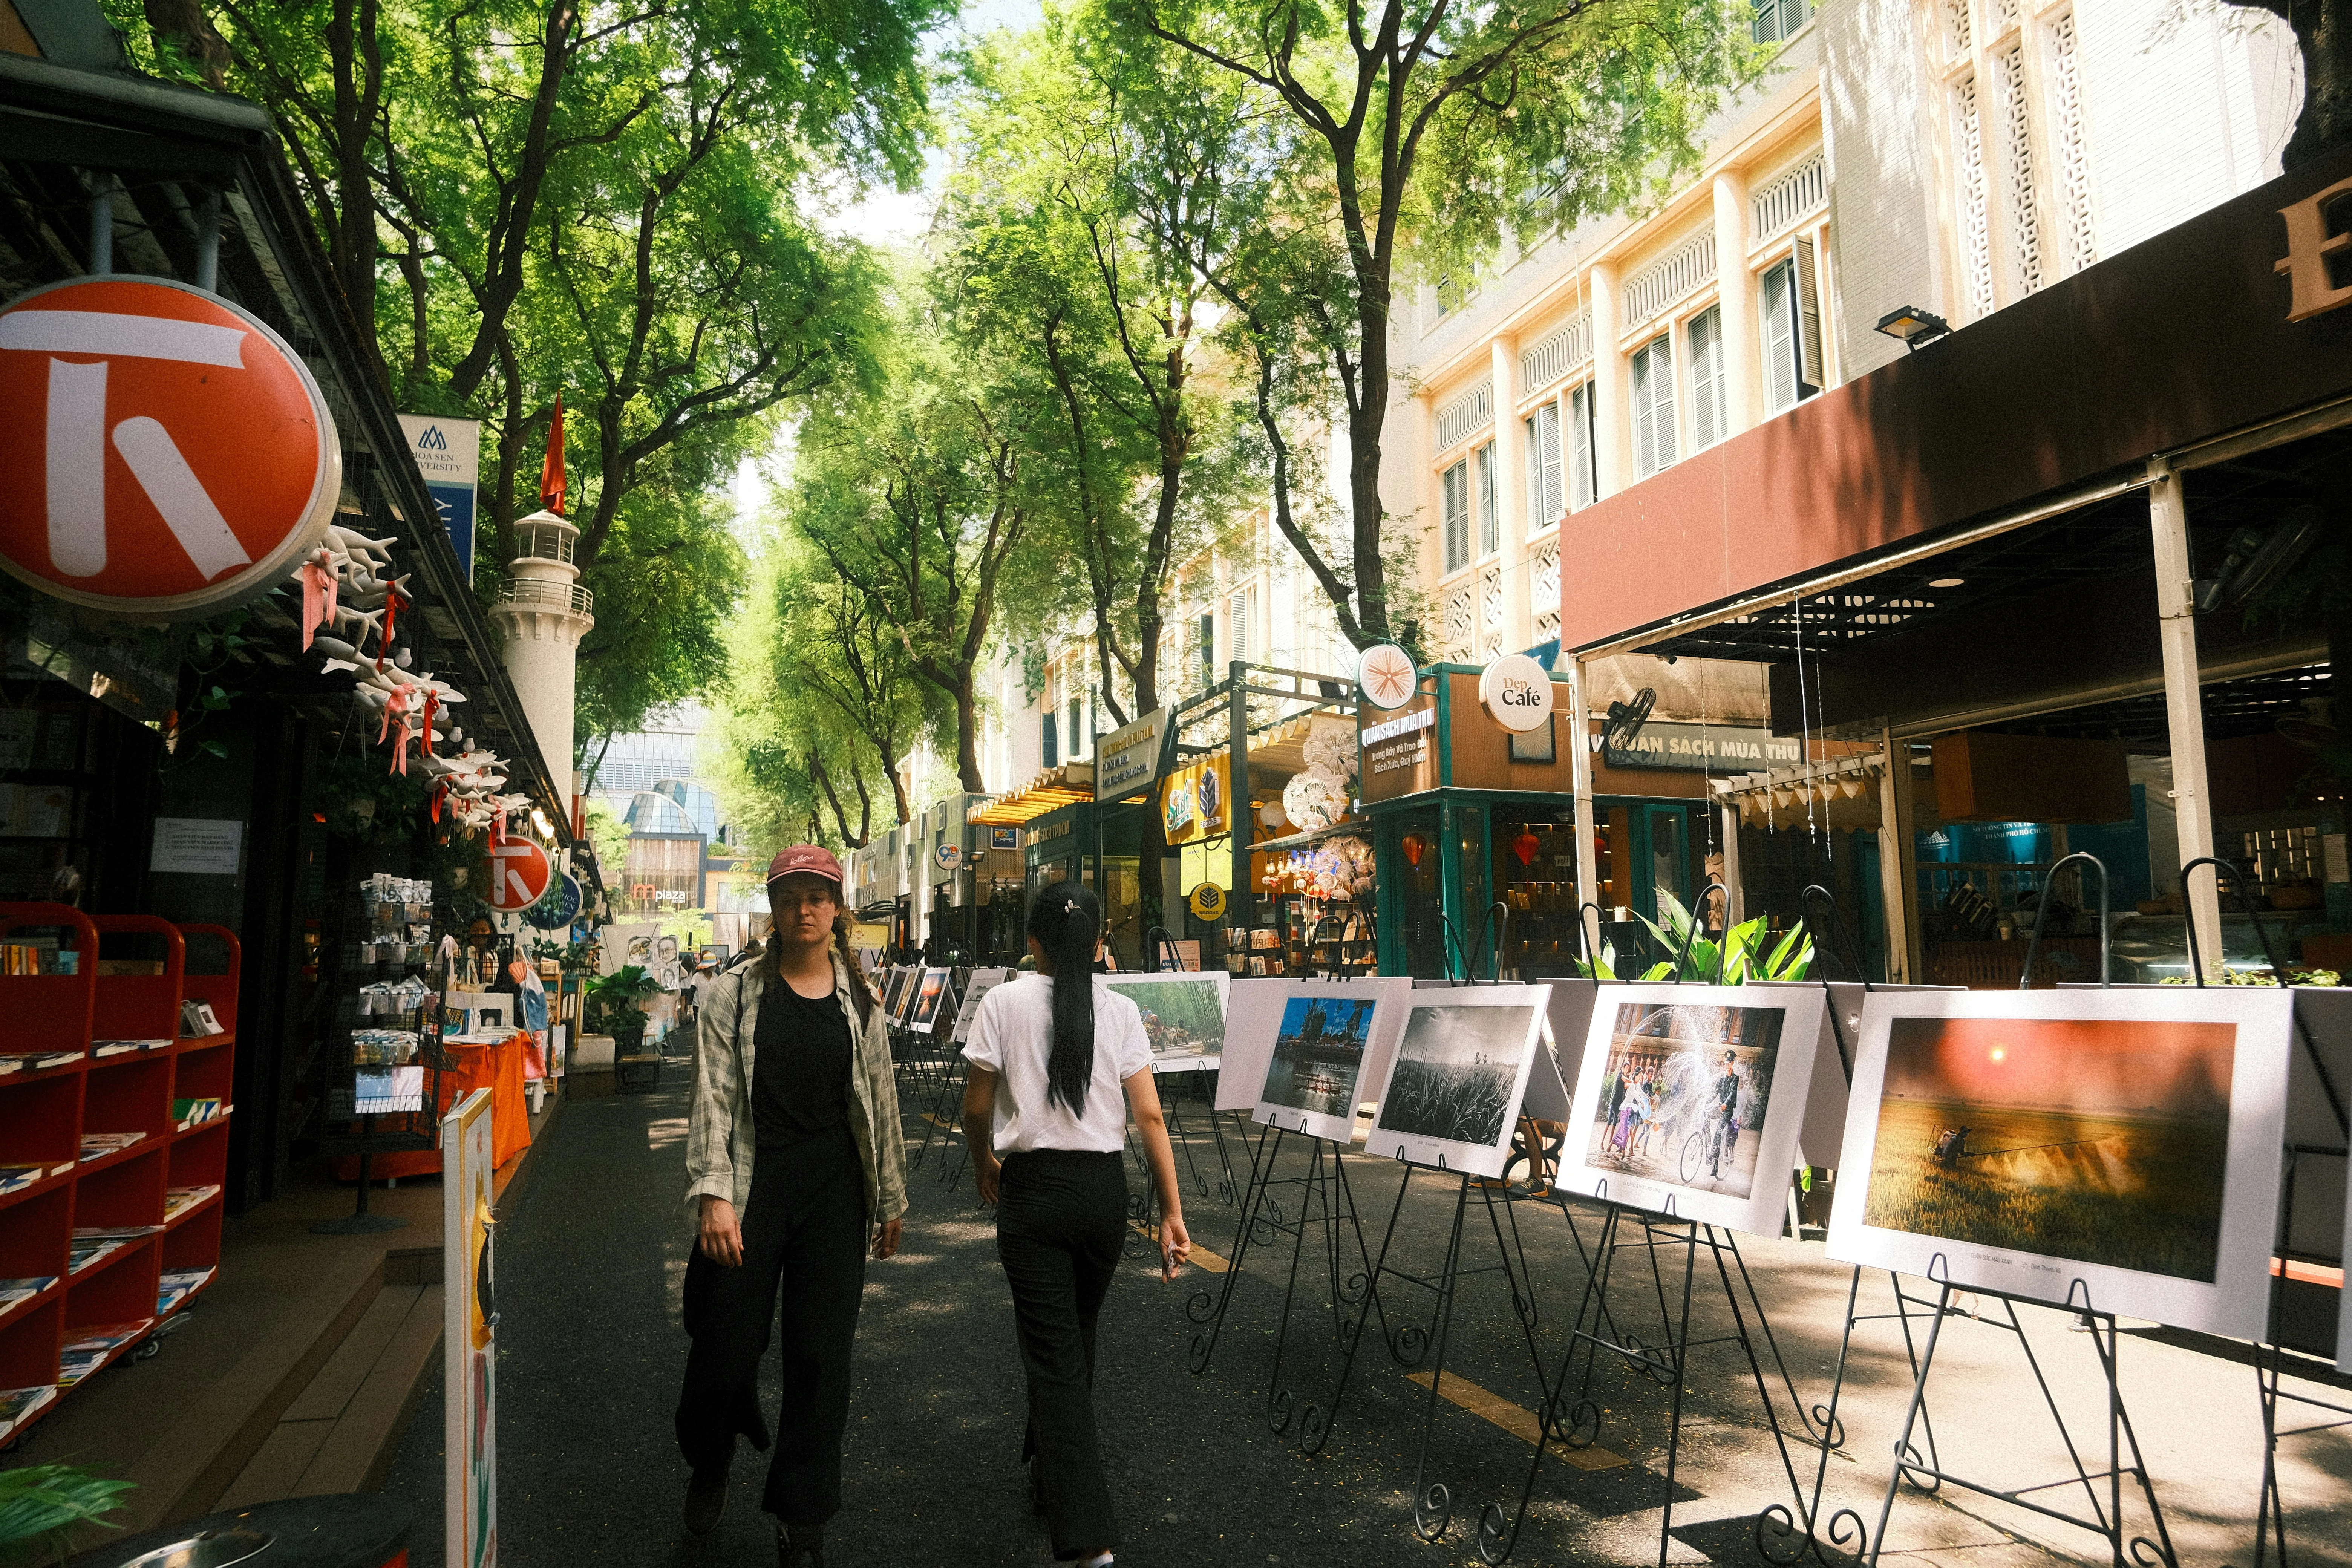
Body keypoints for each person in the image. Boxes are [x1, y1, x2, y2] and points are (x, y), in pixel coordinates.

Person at [677, 846, 907, 1567]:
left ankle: (802, 1517)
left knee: (821, 1358)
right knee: (723, 1344)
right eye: (790, 898)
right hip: (752, 1186)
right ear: (773, 910)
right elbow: (713, 1099)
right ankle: (709, 1455)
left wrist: (890, 1197)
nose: (804, 909)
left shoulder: (861, 1000)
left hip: (833, 1191)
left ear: (837, 909)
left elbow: (880, 1101)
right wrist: (715, 1196)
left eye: (817, 897)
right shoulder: (732, 996)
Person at [961, 885, 1190, 1568]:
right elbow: (1150, 1117)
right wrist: (1173, 1213)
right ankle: (1049, 1469)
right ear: (1097, 946)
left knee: (1055, 1356)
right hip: (1102, 1197)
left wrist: (984, 1163)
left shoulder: (1002, 1003)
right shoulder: (1120, 1010)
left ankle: (1086, 1537)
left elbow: (975, 1109)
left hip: (1033, 1195)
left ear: (1031, 943)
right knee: (1073, 1336)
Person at [1709, 1051, 1742, 1177]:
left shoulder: (1735, 1079)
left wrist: (1725, 1104)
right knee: (1706, 1118)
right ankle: (1707, 1143)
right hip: (1719, 1109)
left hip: (1727, 1111)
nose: (1727, 1065)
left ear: (1733, 1063)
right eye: (1726, 1063)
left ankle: (1715, 1166)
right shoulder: (1722, 1078)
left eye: (1729, 1063)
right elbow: (1715, 1093)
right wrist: (1706, 1101)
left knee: (1718, 1132)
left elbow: (1732, 1093)